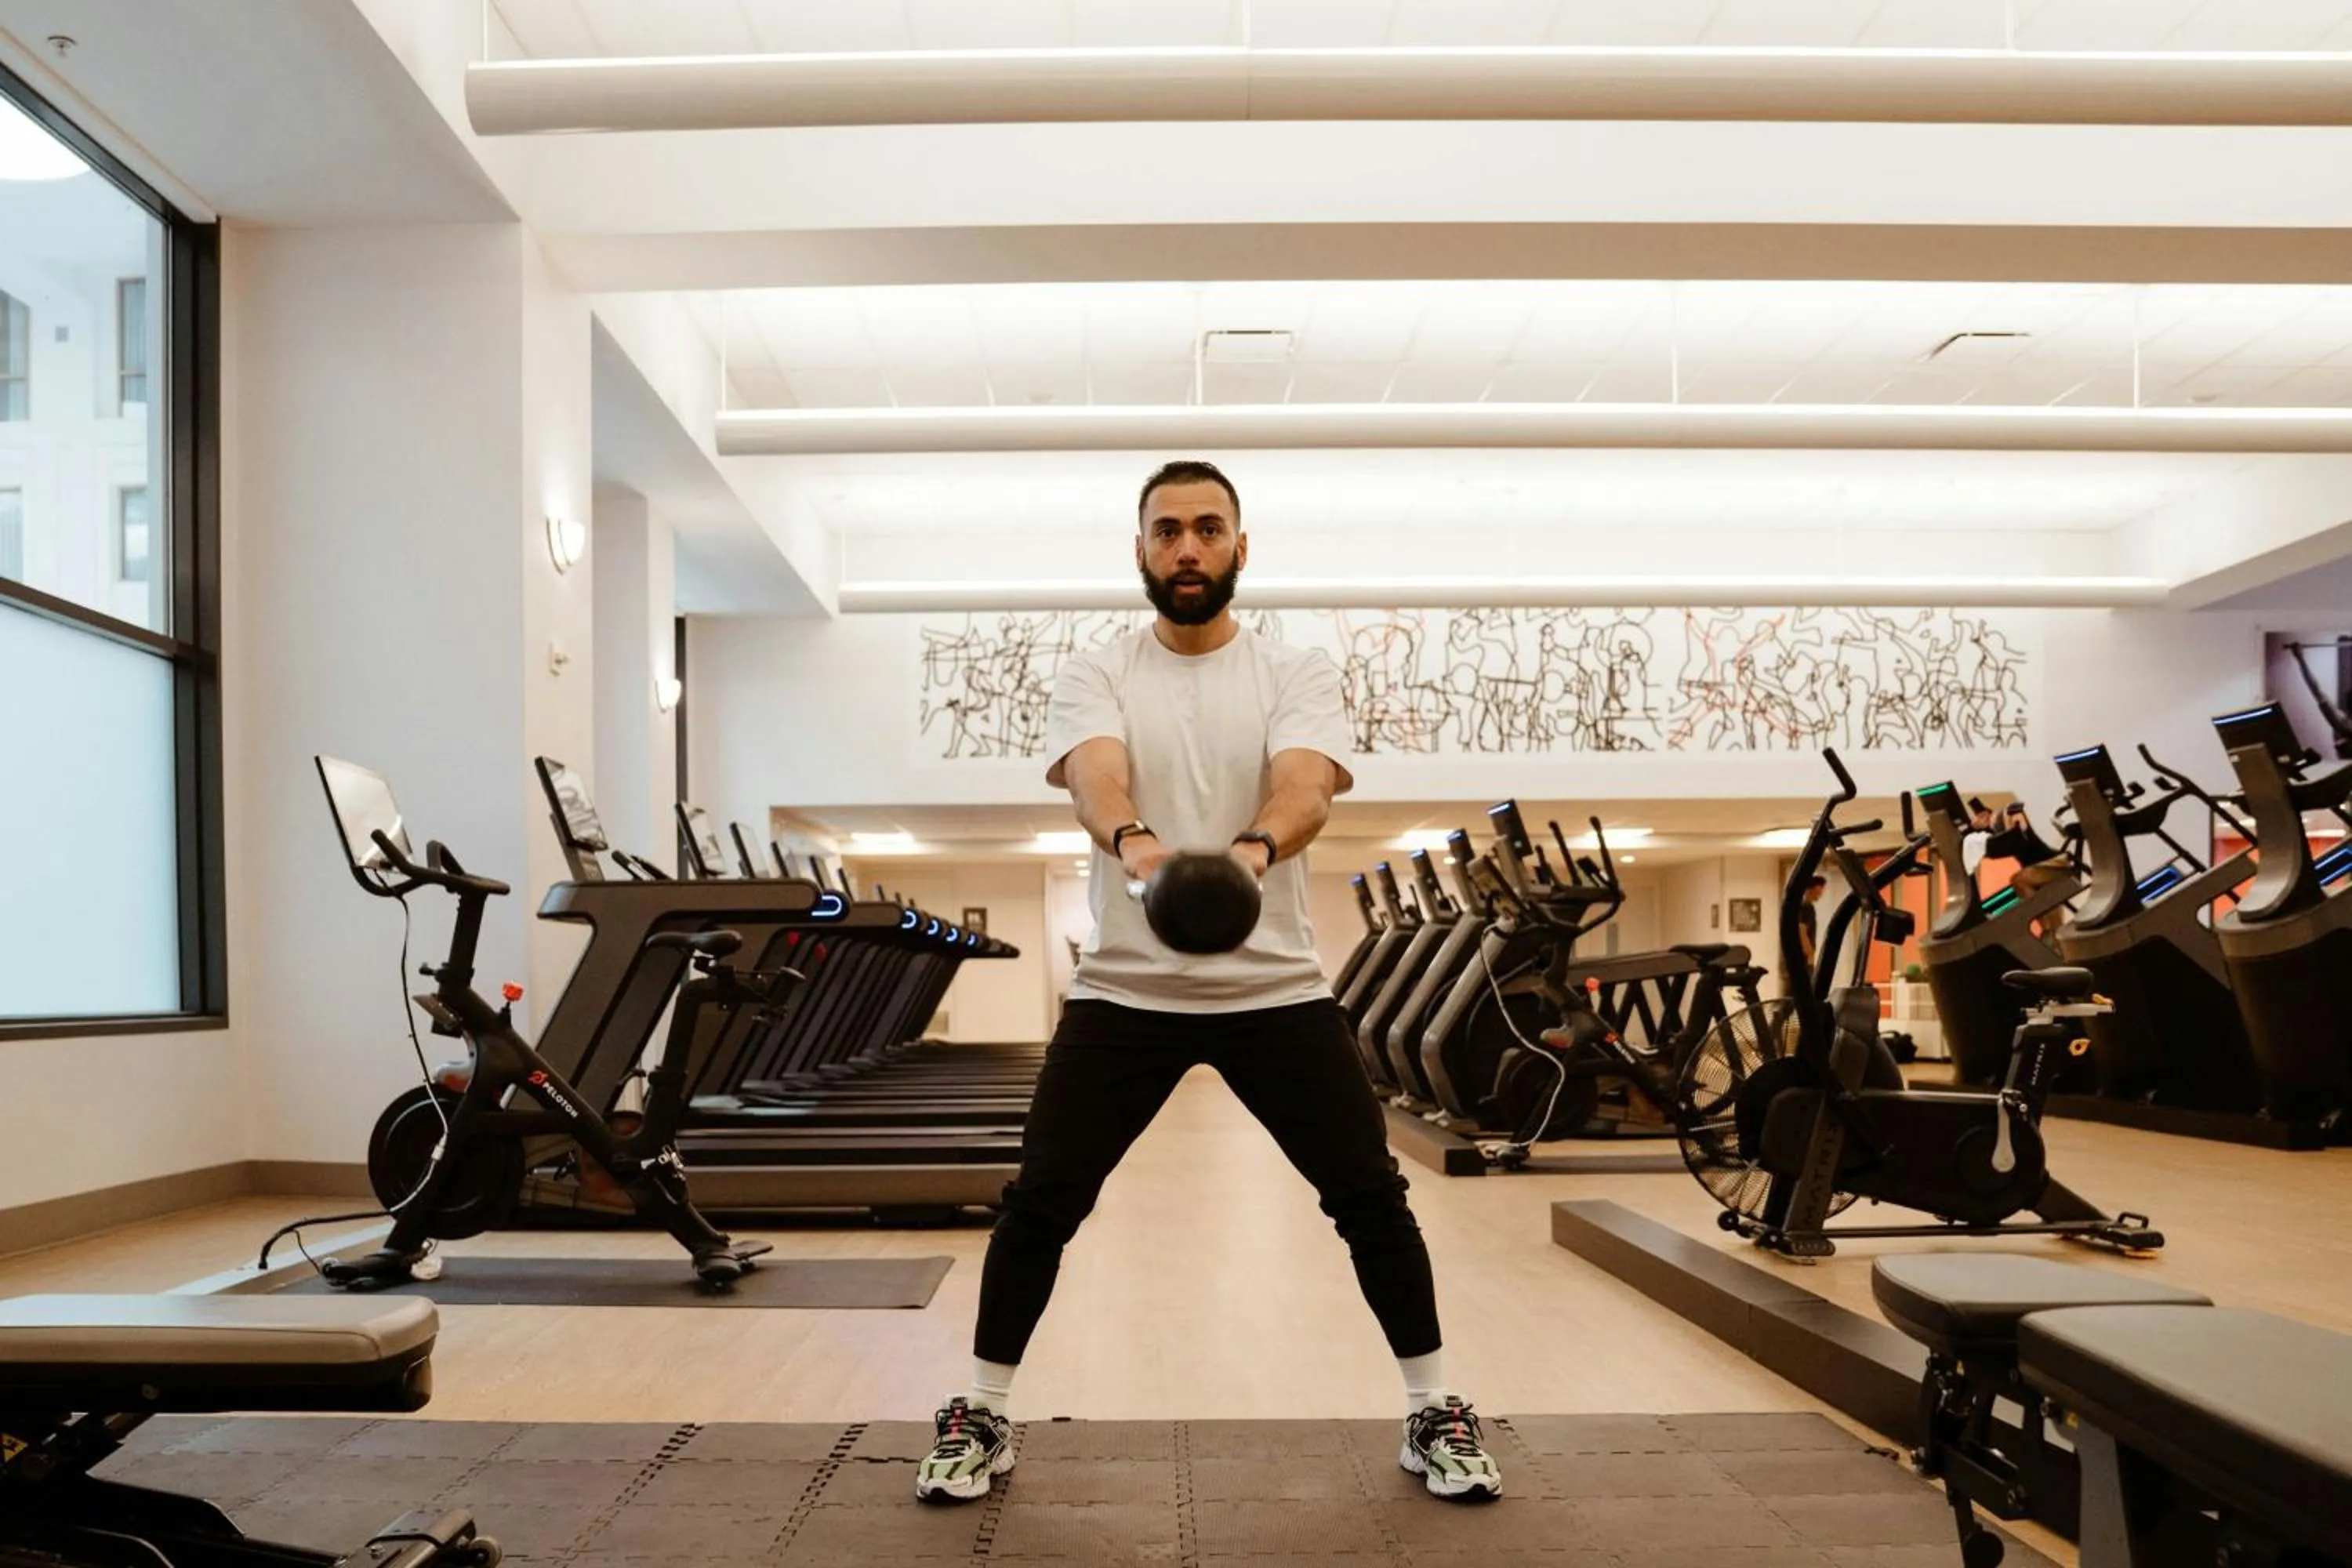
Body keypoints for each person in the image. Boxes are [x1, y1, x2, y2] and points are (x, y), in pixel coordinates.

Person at [916, 459, 1501, 1504]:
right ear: (1140, 550)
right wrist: (1138, 847)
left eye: (1208, 529)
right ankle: (982, 1411)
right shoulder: (1098, 670)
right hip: (1124, 993)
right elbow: (1095, 775)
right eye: (1167, 530)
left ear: (1241, 546)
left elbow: (1306, 784)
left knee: (1370, 1195)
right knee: (1042, 1199)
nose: (1188, 547)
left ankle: (1434, 1409)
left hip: (1275, 989)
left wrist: (1249, 855)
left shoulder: (1293, 669)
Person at [1970, 800, 2074, 936]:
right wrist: (1974, 830)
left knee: (2019, 880)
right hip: (2040, 871)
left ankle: (2047, 929)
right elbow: (1992, 844)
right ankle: (2052, 938)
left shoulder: (2013, 817)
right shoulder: (1999, 835)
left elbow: (2015, 832)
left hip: (2056, 863)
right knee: (2053, 918)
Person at [1790, 875, 1827, 992]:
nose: (1821, 893)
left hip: (1796, 957)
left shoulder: (1798, 906)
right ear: (1814, 888)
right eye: (1820, 889)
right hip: (1804, 958)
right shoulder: (1807, 908)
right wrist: (1810, 953)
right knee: (1807, 991)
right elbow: (1802, 930)